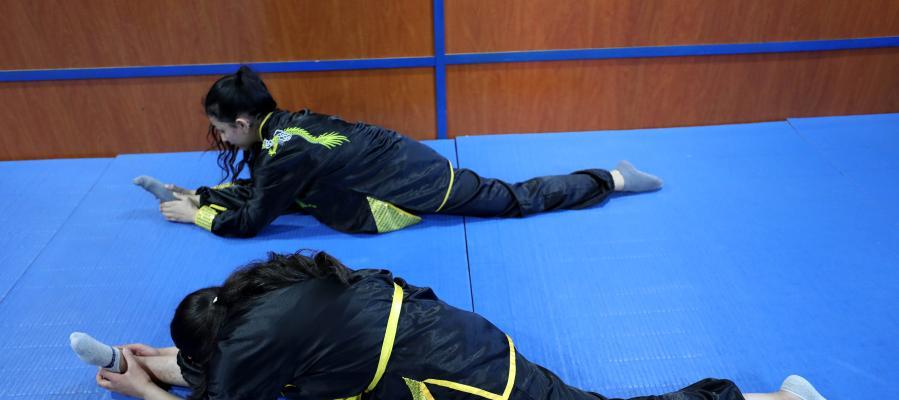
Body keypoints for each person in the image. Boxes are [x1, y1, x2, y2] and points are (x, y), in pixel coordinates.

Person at [71, 251, 855, 400]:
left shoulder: (237, 354)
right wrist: (163, 360)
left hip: (463, 369)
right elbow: (228, 366)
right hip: (441, 327)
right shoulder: (258, 294)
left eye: (190, 358)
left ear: (217, 346)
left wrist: (146, 387)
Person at [133, 66, 663, 237]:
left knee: (515, 199)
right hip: (400, 164)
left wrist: (199, 216)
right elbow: (271, 189)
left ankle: (613, 180)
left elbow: (253, 221)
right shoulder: (284, 130)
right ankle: (610, 179)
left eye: (222, 130)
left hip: (409, 193)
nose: (222, 139)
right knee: (287, 197)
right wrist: (202, 194)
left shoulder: (281, 150)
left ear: (244, 122)